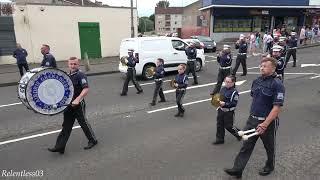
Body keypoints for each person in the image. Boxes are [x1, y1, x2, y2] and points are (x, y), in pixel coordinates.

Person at [224, 57, 285, 178]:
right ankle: (238, 169)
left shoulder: (277, 84)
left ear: (273, 68)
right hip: (252, 119)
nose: (262, 67)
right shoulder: (256, 81)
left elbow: (277, 108)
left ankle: (270, 165)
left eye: (265, 66)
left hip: (267, 123)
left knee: (269, 147)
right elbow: (255, 97)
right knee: (246, 145)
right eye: (261, 65)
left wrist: (265, 124)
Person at [48, 57, 98, 154]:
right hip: (68, 105)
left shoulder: (80, 75)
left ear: (78, 64)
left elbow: (86, 89)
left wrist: (78, 99)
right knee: (66, 125)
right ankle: (60, 146)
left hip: (78, 104)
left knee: (83, 123)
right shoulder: (66, 76)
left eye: (75, 64)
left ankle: (93, 140)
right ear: (68, 64)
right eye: (71, 64)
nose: (73, 66)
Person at [212, 75, 241, 145]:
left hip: (229, 112)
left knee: (229, 126)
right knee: (219, 125)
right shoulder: (223, 89)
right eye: (225, 81)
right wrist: (217, 101)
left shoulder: (234, 92)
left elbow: (234, 103)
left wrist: (225, 104)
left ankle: (239, 134)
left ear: (233, 83)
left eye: (228, 82)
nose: (226, 83)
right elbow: (220, 97)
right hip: (221, 110)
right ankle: (220, 139)